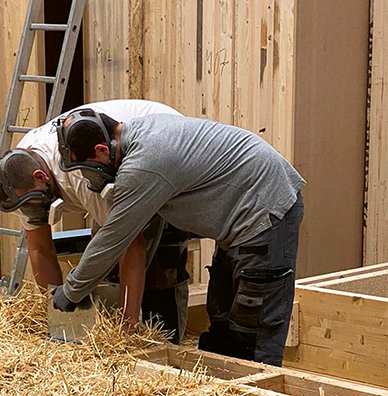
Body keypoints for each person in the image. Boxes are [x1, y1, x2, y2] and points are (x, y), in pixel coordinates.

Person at [51, 108, 305, 366]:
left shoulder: (143, 164)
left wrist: (70, 292)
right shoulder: (142, 133)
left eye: (86, 168)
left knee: (252, 332)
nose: (88, 176)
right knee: (222, 318)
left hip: (266, 213)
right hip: (242, 218)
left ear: (102, 151)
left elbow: (112, 239)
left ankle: (257, 395)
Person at [0, 99, 191, 339]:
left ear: (41, 177)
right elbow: (40, 249)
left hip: (164, 147)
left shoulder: (79, 174)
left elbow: (128, 242)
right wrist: (53, 319)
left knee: (160, 268)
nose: (32, 210)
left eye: (32, 203)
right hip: (109, 170)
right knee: (107, 267)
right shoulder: (17, 179)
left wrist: (126, 330)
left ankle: (164, 344)